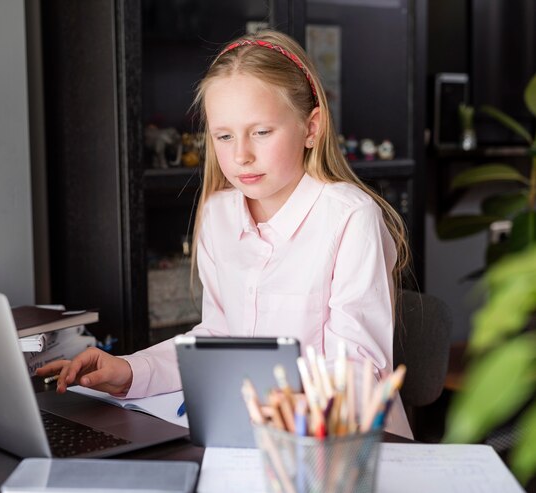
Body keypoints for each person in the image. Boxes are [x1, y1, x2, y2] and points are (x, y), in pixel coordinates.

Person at [37, 29, 413, 438]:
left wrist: (273, 412)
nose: (240, 155)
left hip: (341, 449)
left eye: (262, 132)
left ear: (311, 128)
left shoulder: (350, 217)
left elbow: (356, 377)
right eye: (224, 136)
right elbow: (217, 337)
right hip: (247, 436)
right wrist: (129, 370)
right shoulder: (219, 212)